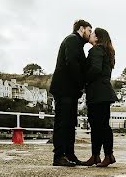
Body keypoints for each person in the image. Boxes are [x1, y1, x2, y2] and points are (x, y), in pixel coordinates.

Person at [48, 19, 91, 167]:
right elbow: (72, 63)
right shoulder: (72, 40)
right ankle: (59, 156)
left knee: (70, 123)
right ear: (81, 29)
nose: (90, 34)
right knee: (63, 123)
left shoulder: (76, 43)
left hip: (69, 90)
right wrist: (81, 85)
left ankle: (70, 155)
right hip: (64, 89)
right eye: (89, 31)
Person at [83, 27, 118, 167]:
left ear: (97, 38)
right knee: (100, 125)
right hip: (103, 92)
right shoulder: (107, 51)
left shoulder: (96, 50)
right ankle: (97, 155)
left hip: (97, 92)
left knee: (100, 125)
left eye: (92, 34)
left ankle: (107, 155)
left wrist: (85, 80)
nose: (90, 35)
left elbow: (96, 69)